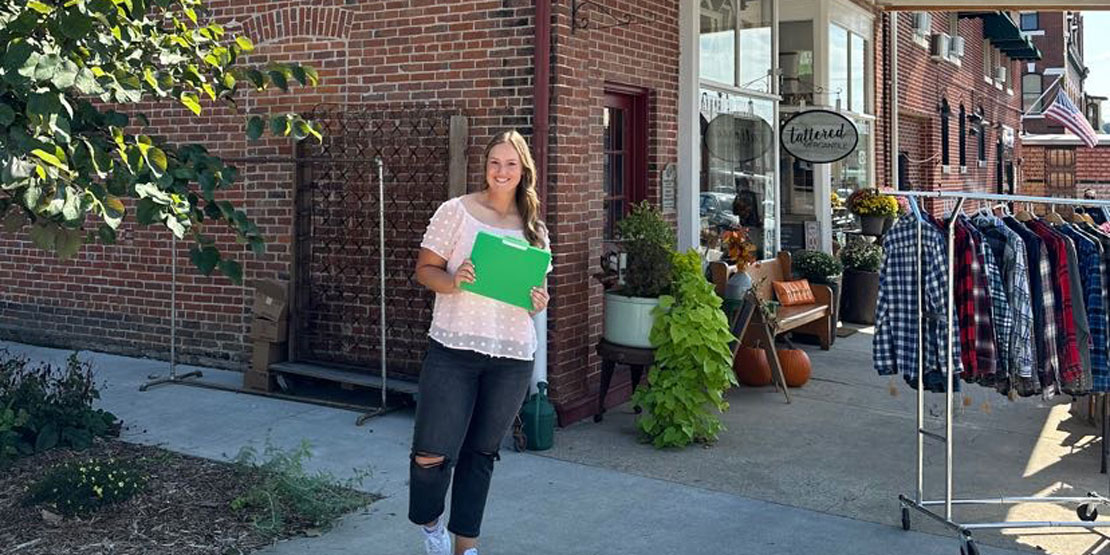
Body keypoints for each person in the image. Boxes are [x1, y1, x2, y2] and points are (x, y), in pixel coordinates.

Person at [410, 130, 551, 555]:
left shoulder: (534, 229)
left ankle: (465, 547)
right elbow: (424, 270)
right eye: (494, 162)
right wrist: (453, 282)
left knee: (481, 454)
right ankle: (431, 525)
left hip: (511, 356)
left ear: (523, 170)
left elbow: (533, 298)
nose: (501, 171)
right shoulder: (456, 212)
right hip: (453, 349)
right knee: (431, 453)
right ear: (485, 166)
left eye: (510, 164)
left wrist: (539, 301)